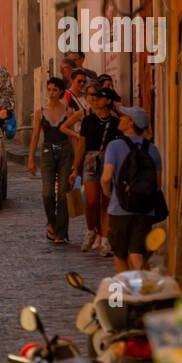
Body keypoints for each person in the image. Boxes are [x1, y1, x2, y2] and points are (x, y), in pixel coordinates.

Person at [101, 106, 163, 272]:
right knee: (138, 253)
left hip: (119, 208)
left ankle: (125, 294)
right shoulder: (153, 149)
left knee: (120, 255)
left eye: (123, 117)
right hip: (145, 209)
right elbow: (158, 185)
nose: (120, 119)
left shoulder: (114, 146)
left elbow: (106, 178)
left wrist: (110, 195)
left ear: (130, 123)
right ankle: (145, 290)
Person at [27, 77, 83, 245]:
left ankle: (61, 233)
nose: (51, 93)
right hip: (47, 152)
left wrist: (76, 163)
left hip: (66, 152)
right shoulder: (40, 112)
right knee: (47, 193)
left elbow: (72, 137)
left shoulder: (68, 111)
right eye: (49, 89)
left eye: (55, 90)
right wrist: (31, 159)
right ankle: (52, 224)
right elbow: (35, 135)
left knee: (63, 194)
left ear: (60, 92)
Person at [73, 83, 119, 254]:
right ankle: (91, 229)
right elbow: (81, 145)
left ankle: (105, 239)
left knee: (106, 202)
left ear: (107, 101)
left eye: (100, 97)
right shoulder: (88, 120)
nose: (95, 100)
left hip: (109, 161)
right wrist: (75, 168)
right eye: (95, 97)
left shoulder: (116, 123)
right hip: (91, 161)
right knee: (91, 201)